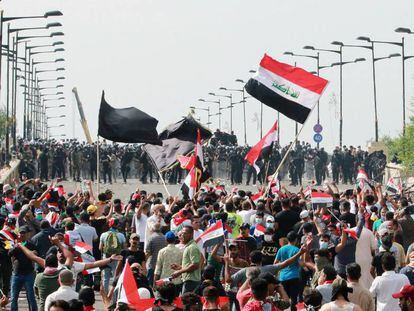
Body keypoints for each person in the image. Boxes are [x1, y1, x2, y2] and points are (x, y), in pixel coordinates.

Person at [9, 225, 38, 311]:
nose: (22, 235)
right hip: (16, 274)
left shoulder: (31, 245)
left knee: (31, 298)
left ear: (28, 234)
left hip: (29, 273)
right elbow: (9, 253)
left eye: (24, 233)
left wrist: (34, 253)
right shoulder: (15, 245)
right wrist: (15, 246)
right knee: (14, 298)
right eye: (20, 233)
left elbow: (37, 254)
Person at [275, 231, 301, 311]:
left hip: (283, 277)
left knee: (284, 299)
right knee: (294, 299)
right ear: (296, 240)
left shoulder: (281, 249)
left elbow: (275, 263)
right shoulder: (297, 250)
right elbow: (301, 263)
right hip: (294, 276)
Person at [171, 226, 202, 294]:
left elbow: (195, 265)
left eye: (184, 233)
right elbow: (191, 265)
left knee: (186, 302)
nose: (182, 235)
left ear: (191, 235)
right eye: (181, 233)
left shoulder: (192, 247)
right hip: (188, 280)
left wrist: (179, 272)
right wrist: (179, 267)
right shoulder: (188, 246)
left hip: (191, 281)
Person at [100, 218, 127, 292]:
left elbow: (100, 248)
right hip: (117, 258)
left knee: (106, 278)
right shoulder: (121, 235)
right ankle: (115, 293)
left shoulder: (103, 235)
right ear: (117, 225)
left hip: (106, 258)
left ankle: (105, 294)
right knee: (116, 277)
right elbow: (124, 248)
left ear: (109, 225)